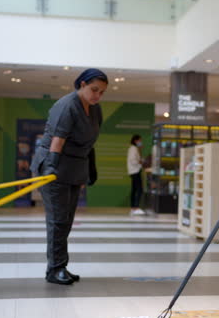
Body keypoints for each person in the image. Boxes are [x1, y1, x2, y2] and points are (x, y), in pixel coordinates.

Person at [30, 68, 108, 285]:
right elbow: (57, 141)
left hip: (75, 169)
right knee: (57, 221)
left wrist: (91, 168)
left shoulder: (95, 110)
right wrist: (51, 169)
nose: (97, 96)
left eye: (101, 92)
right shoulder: (66, 105)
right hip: (54, 167)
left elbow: (89, 142)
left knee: (66, 221)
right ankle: (55, 269)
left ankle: (59, 266)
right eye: (94, 90)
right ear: (81, 84)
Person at [127, 134, 146, 215]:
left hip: (134, 171)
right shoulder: (133, 149)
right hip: (135, 171)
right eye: (139, 140)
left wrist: (140, 150)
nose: (140, 142)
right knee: (139, 189)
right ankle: (136, 207)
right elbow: (133, 160)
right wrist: (140, 162)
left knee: (134, 189)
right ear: (135, 141)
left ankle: (133, 208)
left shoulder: (135, 149)